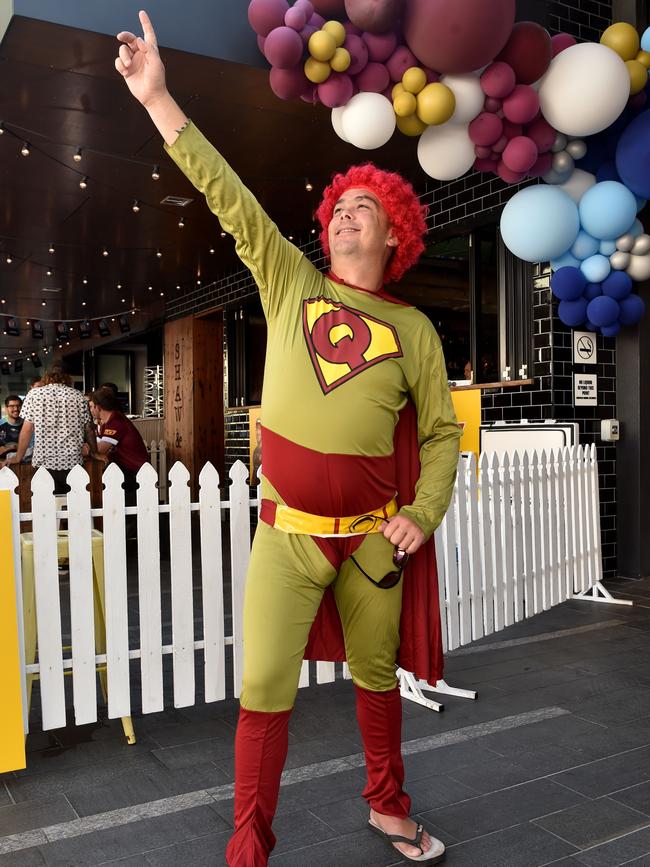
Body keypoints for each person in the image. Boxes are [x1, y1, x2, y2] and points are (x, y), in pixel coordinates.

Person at [116, 12, 460, 865]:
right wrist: (157, 98)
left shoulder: (414, 329)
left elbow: (445, 433)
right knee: (263, 691)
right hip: (287, 541)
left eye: (363, 211)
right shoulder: (290, 283)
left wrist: (422, 512)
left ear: (395, 234)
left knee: (377, 684)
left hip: (373, 547)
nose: (344, 219)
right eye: (338, 208)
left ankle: (389, 807)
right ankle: (248, 846)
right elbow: (225, 193)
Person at [9, 362, 97, 494]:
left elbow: (27, 430)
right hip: (72, 462)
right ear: (67, 377)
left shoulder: (34, 395)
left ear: (47, 376)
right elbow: (89, 428)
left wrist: (18, 457)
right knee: (74, 507)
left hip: (44, 463)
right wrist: (95, 452)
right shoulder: (78, 396)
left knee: (46, 508)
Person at [87, 386, 149, 498]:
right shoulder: (108, 422)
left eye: (91, 406)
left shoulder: (116, 421)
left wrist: (85, 449)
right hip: (127, 471)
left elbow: (100, 449)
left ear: (98, 407)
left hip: (135, 473)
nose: (90, 410)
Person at [0, 395, 25, 461]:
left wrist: (10, 448)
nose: (16, 409)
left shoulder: (27, 425)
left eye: (18, 406)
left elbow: (33, 448)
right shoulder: (1, 424)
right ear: (6, 408)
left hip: (24, 463)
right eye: (12, 406)